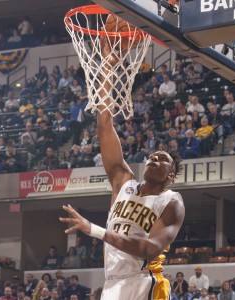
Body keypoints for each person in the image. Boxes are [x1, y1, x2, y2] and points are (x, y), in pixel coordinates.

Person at [59, 36, 185, 300]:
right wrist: (107, 68)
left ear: (170, 176)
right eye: (152, 155)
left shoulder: (171, 201)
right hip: (112, 282)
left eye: (163, 159)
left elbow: (150, 249)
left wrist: (94, 230)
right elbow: (105, 124)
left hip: (144, 282)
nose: (154, 159)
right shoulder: (122, 182)